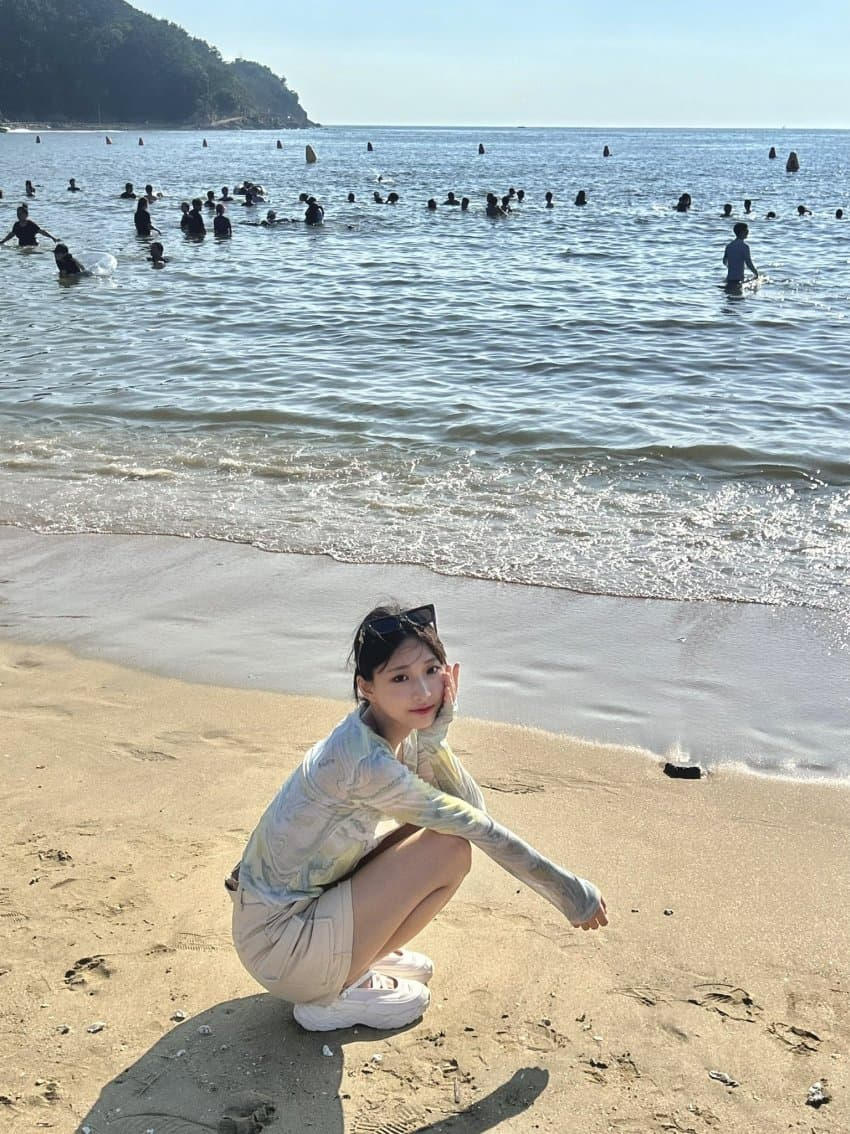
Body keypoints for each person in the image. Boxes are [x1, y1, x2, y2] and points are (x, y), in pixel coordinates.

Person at [228, 602, 607, 1031]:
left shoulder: (377, 731)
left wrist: (434, 739)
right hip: (282, 948)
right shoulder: (367, 763)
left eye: (431, 670)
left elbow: (470, 806)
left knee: (441, 837)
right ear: (366, 687)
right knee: (449, 851)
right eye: (400, 678)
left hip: (284, 922)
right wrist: (570, 894)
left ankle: (352, 958)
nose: (424, 692)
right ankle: (333, 993)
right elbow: (475, 825)